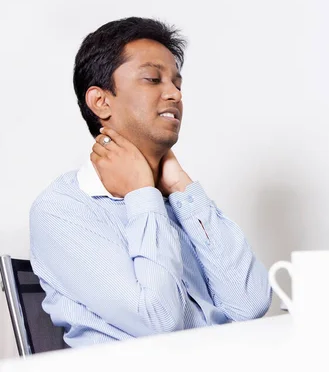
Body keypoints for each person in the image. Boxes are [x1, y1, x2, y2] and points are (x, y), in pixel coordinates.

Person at [29, 17, 272, 347]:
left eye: (177, 83)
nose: (174, 94)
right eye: (152, 79)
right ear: (100, 101)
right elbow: (158, 322)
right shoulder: (63, 208)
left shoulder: (176, 199)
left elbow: (250, 304)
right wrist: (142, 195)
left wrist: (183, 188)